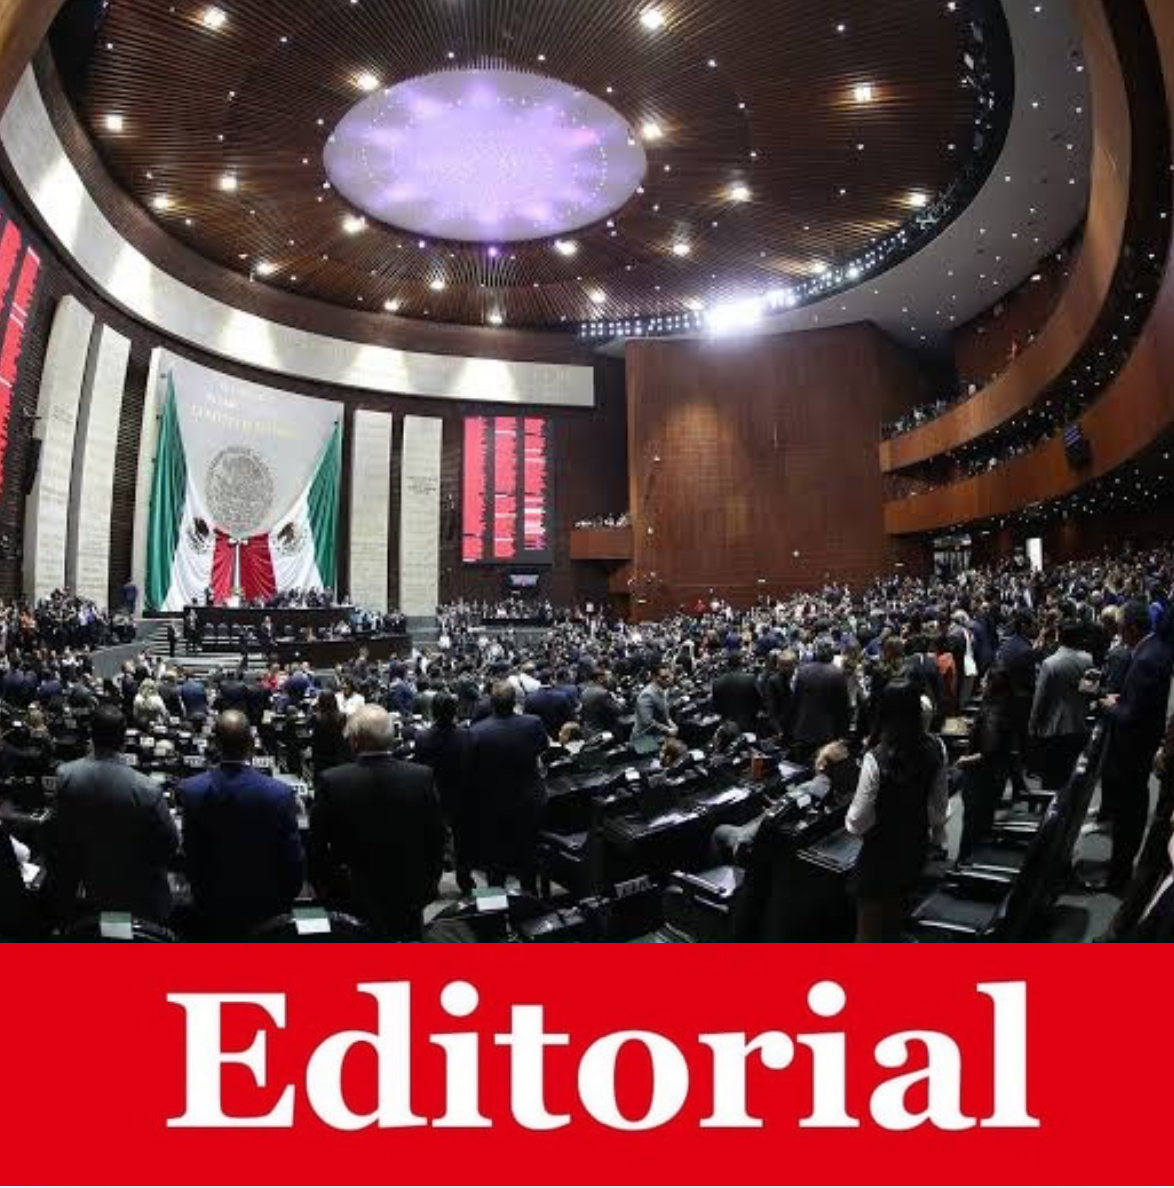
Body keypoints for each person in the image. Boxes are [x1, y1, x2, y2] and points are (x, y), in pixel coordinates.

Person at [311, 705, 444, 939]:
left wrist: (328, 890)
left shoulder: (332, 781)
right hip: (408, 889)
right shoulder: (421, 776)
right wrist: (428, 886)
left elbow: (317, 846)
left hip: (352, 893)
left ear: (354, 741)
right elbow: (436, 838)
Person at [178, 710, 305, 938]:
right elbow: (293, 861)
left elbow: (191, 853)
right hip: (267, 908)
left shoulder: (190, 790)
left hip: (212, 907)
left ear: (215, 744)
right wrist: (283, 900)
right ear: (251, 744)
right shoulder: (280, 793)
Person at [50, 704, 180, 923]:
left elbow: (60, 830)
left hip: (88, 890)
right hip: (140, 898)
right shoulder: (147, 788)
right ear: (123, 740)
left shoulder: (65, 775)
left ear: (91, 737)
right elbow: (170, 844)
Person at [846, 681, 948, 942]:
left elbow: (858, 821)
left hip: (879, 857)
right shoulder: (936, 748)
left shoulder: (876, 757)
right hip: (914, 848)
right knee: (894, 925)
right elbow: (939, 809)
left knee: (868, 935)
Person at [1100, 600, 1174, 893]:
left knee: (1127, 816)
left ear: (1131, 628)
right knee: (1132, 810)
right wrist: (1123, 701)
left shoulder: (1145, 659)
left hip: (1132, 751)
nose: (1119, 635)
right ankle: (1120, 870)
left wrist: (1109, 706)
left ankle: (1118, 877)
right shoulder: (1155, 649)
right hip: (1142, 748)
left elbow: (1131, 717)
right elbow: (1141, 704)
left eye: (1120, 629)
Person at [468, 681, 549, 891]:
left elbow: (471, 769)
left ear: (491, 702)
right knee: (528, 861)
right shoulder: (533, 723)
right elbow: (542, 748)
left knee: (493, 867)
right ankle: (531, 905)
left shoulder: (475, 732)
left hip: (491, 807)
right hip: (527, 802)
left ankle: (494, 908)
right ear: (514, 702)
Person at [415, 691, 476, 896]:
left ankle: (433, 884)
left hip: (435, 796)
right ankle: (465, 881)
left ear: (433, 712)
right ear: (455, 711)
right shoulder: (467, 735)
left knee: (434, 843)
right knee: (463, 841)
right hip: (461, 794)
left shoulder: (422, 737)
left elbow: (421, 769)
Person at [956, 667, 1016, 862]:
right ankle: (975, 862)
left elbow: (987, 753)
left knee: (973, 825)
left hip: (980, 777)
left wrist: (963, 761)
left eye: (985, 680)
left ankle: (964, 865)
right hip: (994, 776)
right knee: (982, 823)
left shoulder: (992, 712)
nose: (981, 682)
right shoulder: (1005, 706)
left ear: (992, 685)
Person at [1029, 619, 1092, 791]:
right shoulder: (1088, 660)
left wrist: (1032, 726)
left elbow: (1039, 699)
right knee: (1071, 777)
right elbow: (1090, 692)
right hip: (1079, 725)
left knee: (1051, 779)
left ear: (1059, 637)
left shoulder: (1050, 663)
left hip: (1054, 728)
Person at [789, 638, 851, 761]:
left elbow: (795, 702)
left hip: (803, 728)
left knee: (803, 766)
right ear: (831, 654)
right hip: (826, 732)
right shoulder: (837, 674)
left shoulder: (802, 671)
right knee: (823, 767)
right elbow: (843, 707)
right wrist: (843, 733)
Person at [711, 651, 763, 734]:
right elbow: (760, 701)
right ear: (741, 663)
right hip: (749, 723)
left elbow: (715, 708)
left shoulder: (717, 682)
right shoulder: (751, 679)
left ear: (727, 665)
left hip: (727, 727)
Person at [310, 689, 349, 780]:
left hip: (320, 754)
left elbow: (311, 734)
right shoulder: (342, 716)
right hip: (337, 753)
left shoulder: (315, 717)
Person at [632, 664, 677, 742]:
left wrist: (672, 725)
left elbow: (665, 715)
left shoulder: (662, 689)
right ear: (654, 677)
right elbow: (647, 722)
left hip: (657, 734)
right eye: (664, 677)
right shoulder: (647, 695)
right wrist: (667, 730)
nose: (668, 680)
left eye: (669, 676)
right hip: (644, 739)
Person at [579, 668, 624, 739]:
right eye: (605, 677)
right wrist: (620, 702)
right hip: (604, 730)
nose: (607, 680)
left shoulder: (584, 692)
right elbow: (618, 710)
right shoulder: (603, 693)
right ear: (600, 678)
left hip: (590, 730)